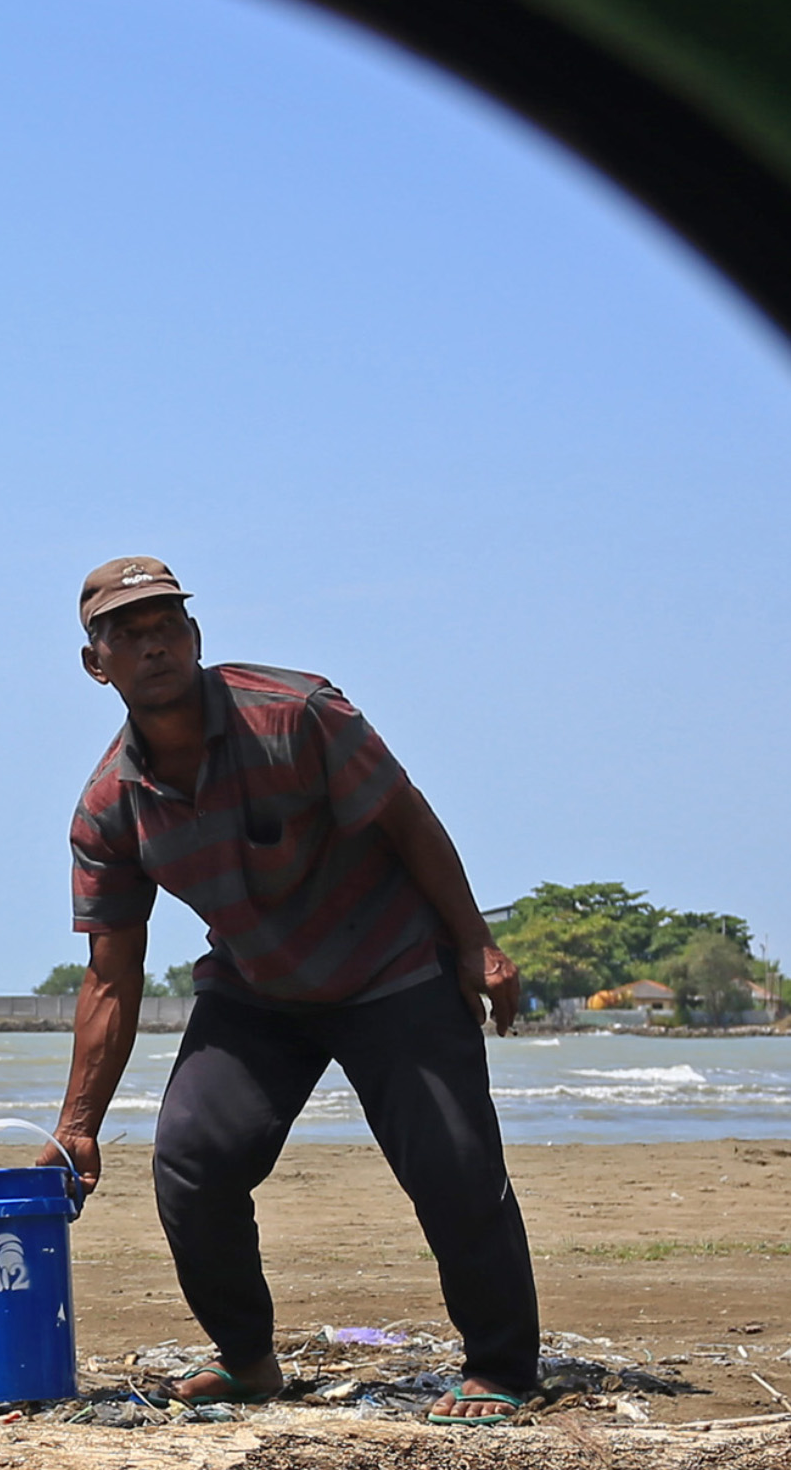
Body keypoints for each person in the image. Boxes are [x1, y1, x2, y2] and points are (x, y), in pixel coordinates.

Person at [46, 556, 542, 1416]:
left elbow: (408, 819)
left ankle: (500, 1366)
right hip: (259, 988)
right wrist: (76, 1126)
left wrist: (477, 947)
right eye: (128, 635)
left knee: (454, 1166)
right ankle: (247, 1359)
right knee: (192, 1159)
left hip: (392, 967)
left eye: (167, 627)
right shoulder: (109, 806)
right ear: (98, 665)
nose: (153, 646)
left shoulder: (296, 712)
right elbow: (112, 974)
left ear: (195, 639)